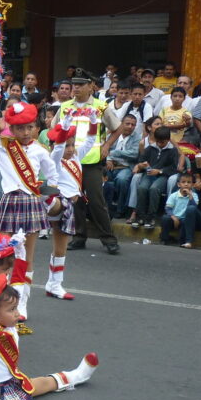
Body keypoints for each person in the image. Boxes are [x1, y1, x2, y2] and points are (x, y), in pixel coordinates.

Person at [0, 81, 58, 320]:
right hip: (9, 204)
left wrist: (47, 195)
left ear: (35, 128)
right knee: (0, 255)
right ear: (11, 129)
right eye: (20, 128)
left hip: (31, 204)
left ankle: (20, 306)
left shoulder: (40, 150)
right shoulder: (3, 147)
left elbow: (52, 175)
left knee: (26, 257)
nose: (25, 133)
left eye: (30, 128)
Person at [54, 68, 122, 254]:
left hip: (91, 160)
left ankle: (108, 239)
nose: (75, 88)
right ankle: (78, 236)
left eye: (80, 85)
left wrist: (107, 145)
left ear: (91, 86)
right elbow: (54, 128)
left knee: (95, 200)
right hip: (70, 161)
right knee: (74, 200)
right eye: (74, 85)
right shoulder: (65, 106)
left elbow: (117, 128)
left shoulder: (101, 106)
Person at [44, 111, 98, 300]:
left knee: (61, 247)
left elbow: (91, 140)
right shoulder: (54, 161)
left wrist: (93, 120)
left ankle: (54, 284)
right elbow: (58, 149)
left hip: (71, 206)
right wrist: (65, 124)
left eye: (72, 144)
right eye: (67, 145)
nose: (70, 148)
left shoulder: (76, 157)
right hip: (62, 203)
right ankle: (44, 203)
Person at [132, 126, 179, 229]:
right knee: (142, 188)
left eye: (162, 142)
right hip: (148, 174)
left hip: (163, 177)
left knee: (154, 189)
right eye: (157, 141)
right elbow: (141, 160)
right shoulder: (150, 148)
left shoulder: (173, 151)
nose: (159, 144)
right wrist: (142, 165)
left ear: (167, 140)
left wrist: (160, 171)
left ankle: (150, 217)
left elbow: (174, 168)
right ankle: (140, 216)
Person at [104, 114, 141, 219]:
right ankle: (104, 209)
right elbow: (105, 148)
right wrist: (108, 159)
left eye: (133, 125)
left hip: (126, 167)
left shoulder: (137, 137)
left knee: (122, 180)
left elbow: (134, 153)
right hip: (111, 165)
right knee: (102, 177)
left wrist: (113, 153)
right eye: (127, 123)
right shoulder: (113, 135)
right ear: (121, 124)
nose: (130, 126)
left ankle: (121, 210)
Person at [159, 172, 198, 246]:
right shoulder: (174, 195)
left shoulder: (194, 195)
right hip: (174, 218)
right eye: (183, 182)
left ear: (192, 185)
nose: (186, 184)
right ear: (178, 184)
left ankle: (181, 240)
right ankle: (164, 239)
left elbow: (194, 207)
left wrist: (190, 195)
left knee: (185, 222)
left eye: (189, 182)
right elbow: (168, 208)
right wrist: (174, 217)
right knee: (165, 218)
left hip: (185, 219)